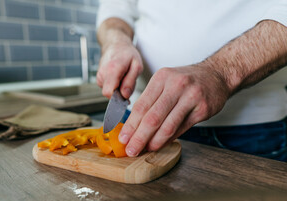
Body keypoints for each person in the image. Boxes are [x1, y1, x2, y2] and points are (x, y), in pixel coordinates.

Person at [96, 0, 287, 161]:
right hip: (138, 122)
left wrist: (221, 74)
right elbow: (115, 10)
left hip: (252, 131)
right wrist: (116, 41)